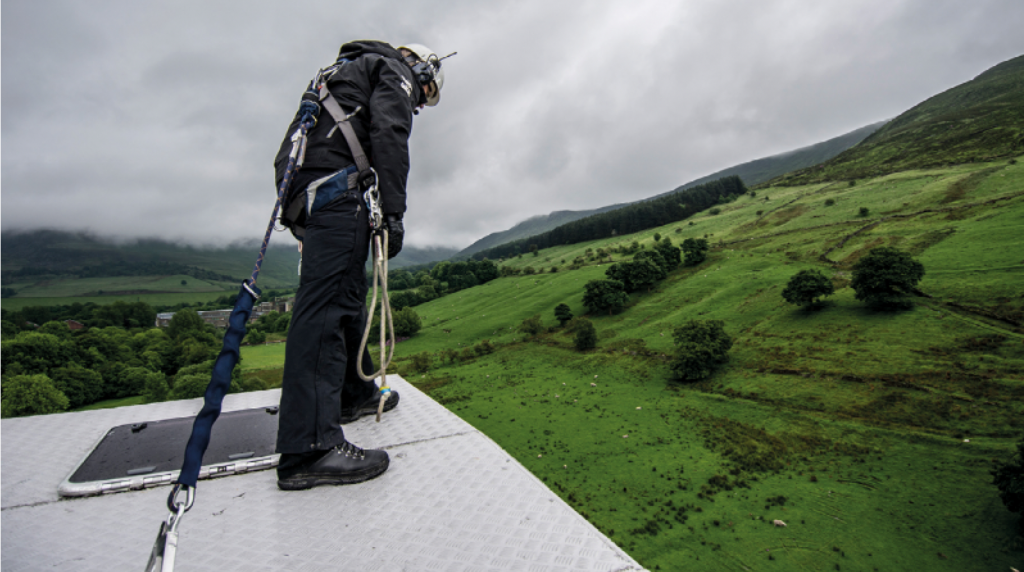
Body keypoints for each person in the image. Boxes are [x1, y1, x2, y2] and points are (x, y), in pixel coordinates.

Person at [272, 40, 445, 490]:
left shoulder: (341, 73)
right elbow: (390, 131)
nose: (417, 105)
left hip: (313, 192)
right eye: (423, 96)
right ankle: (309, 448)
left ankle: (353, 394)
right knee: (326, 308)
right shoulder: (393, 69)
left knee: (347, 297)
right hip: (337, 191)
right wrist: (394, 212)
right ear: (422, 71)